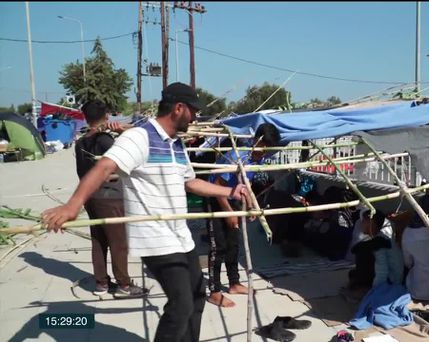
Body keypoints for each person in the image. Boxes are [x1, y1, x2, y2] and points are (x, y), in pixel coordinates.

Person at [42, 82, 253, 342]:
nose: (195, 118)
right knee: (181, 304)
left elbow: (190, 182)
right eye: (193, 111)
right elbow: (105, 167)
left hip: (180, 237)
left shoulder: (176, 145)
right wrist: (72, 205)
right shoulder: (140, 137)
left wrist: (230, 193)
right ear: (179, 108)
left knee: (198, 297)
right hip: (155, 239)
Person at [74, 100, 145, 298]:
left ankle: (101, 283)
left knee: (98, 239)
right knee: (118, 241)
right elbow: (123, 165)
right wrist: (122, 134)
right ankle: (124, 284)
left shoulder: (80, 142)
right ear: (106, 116)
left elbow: (82, 172)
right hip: (110, 197)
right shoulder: (105, 140)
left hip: (90, 197)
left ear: (86, 118)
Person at [206, 123, 280, 308]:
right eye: (264, 147)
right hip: (216, 198)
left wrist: (249, 206)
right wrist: (229, 214)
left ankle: (234, 283)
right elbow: (218, 185)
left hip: (234, 197)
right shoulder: (237, 156)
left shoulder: (258, 159)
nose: (265, 152)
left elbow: (247, 184)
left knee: (233, 243)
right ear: (257, 140)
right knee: (219, 246)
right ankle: (214, 291)